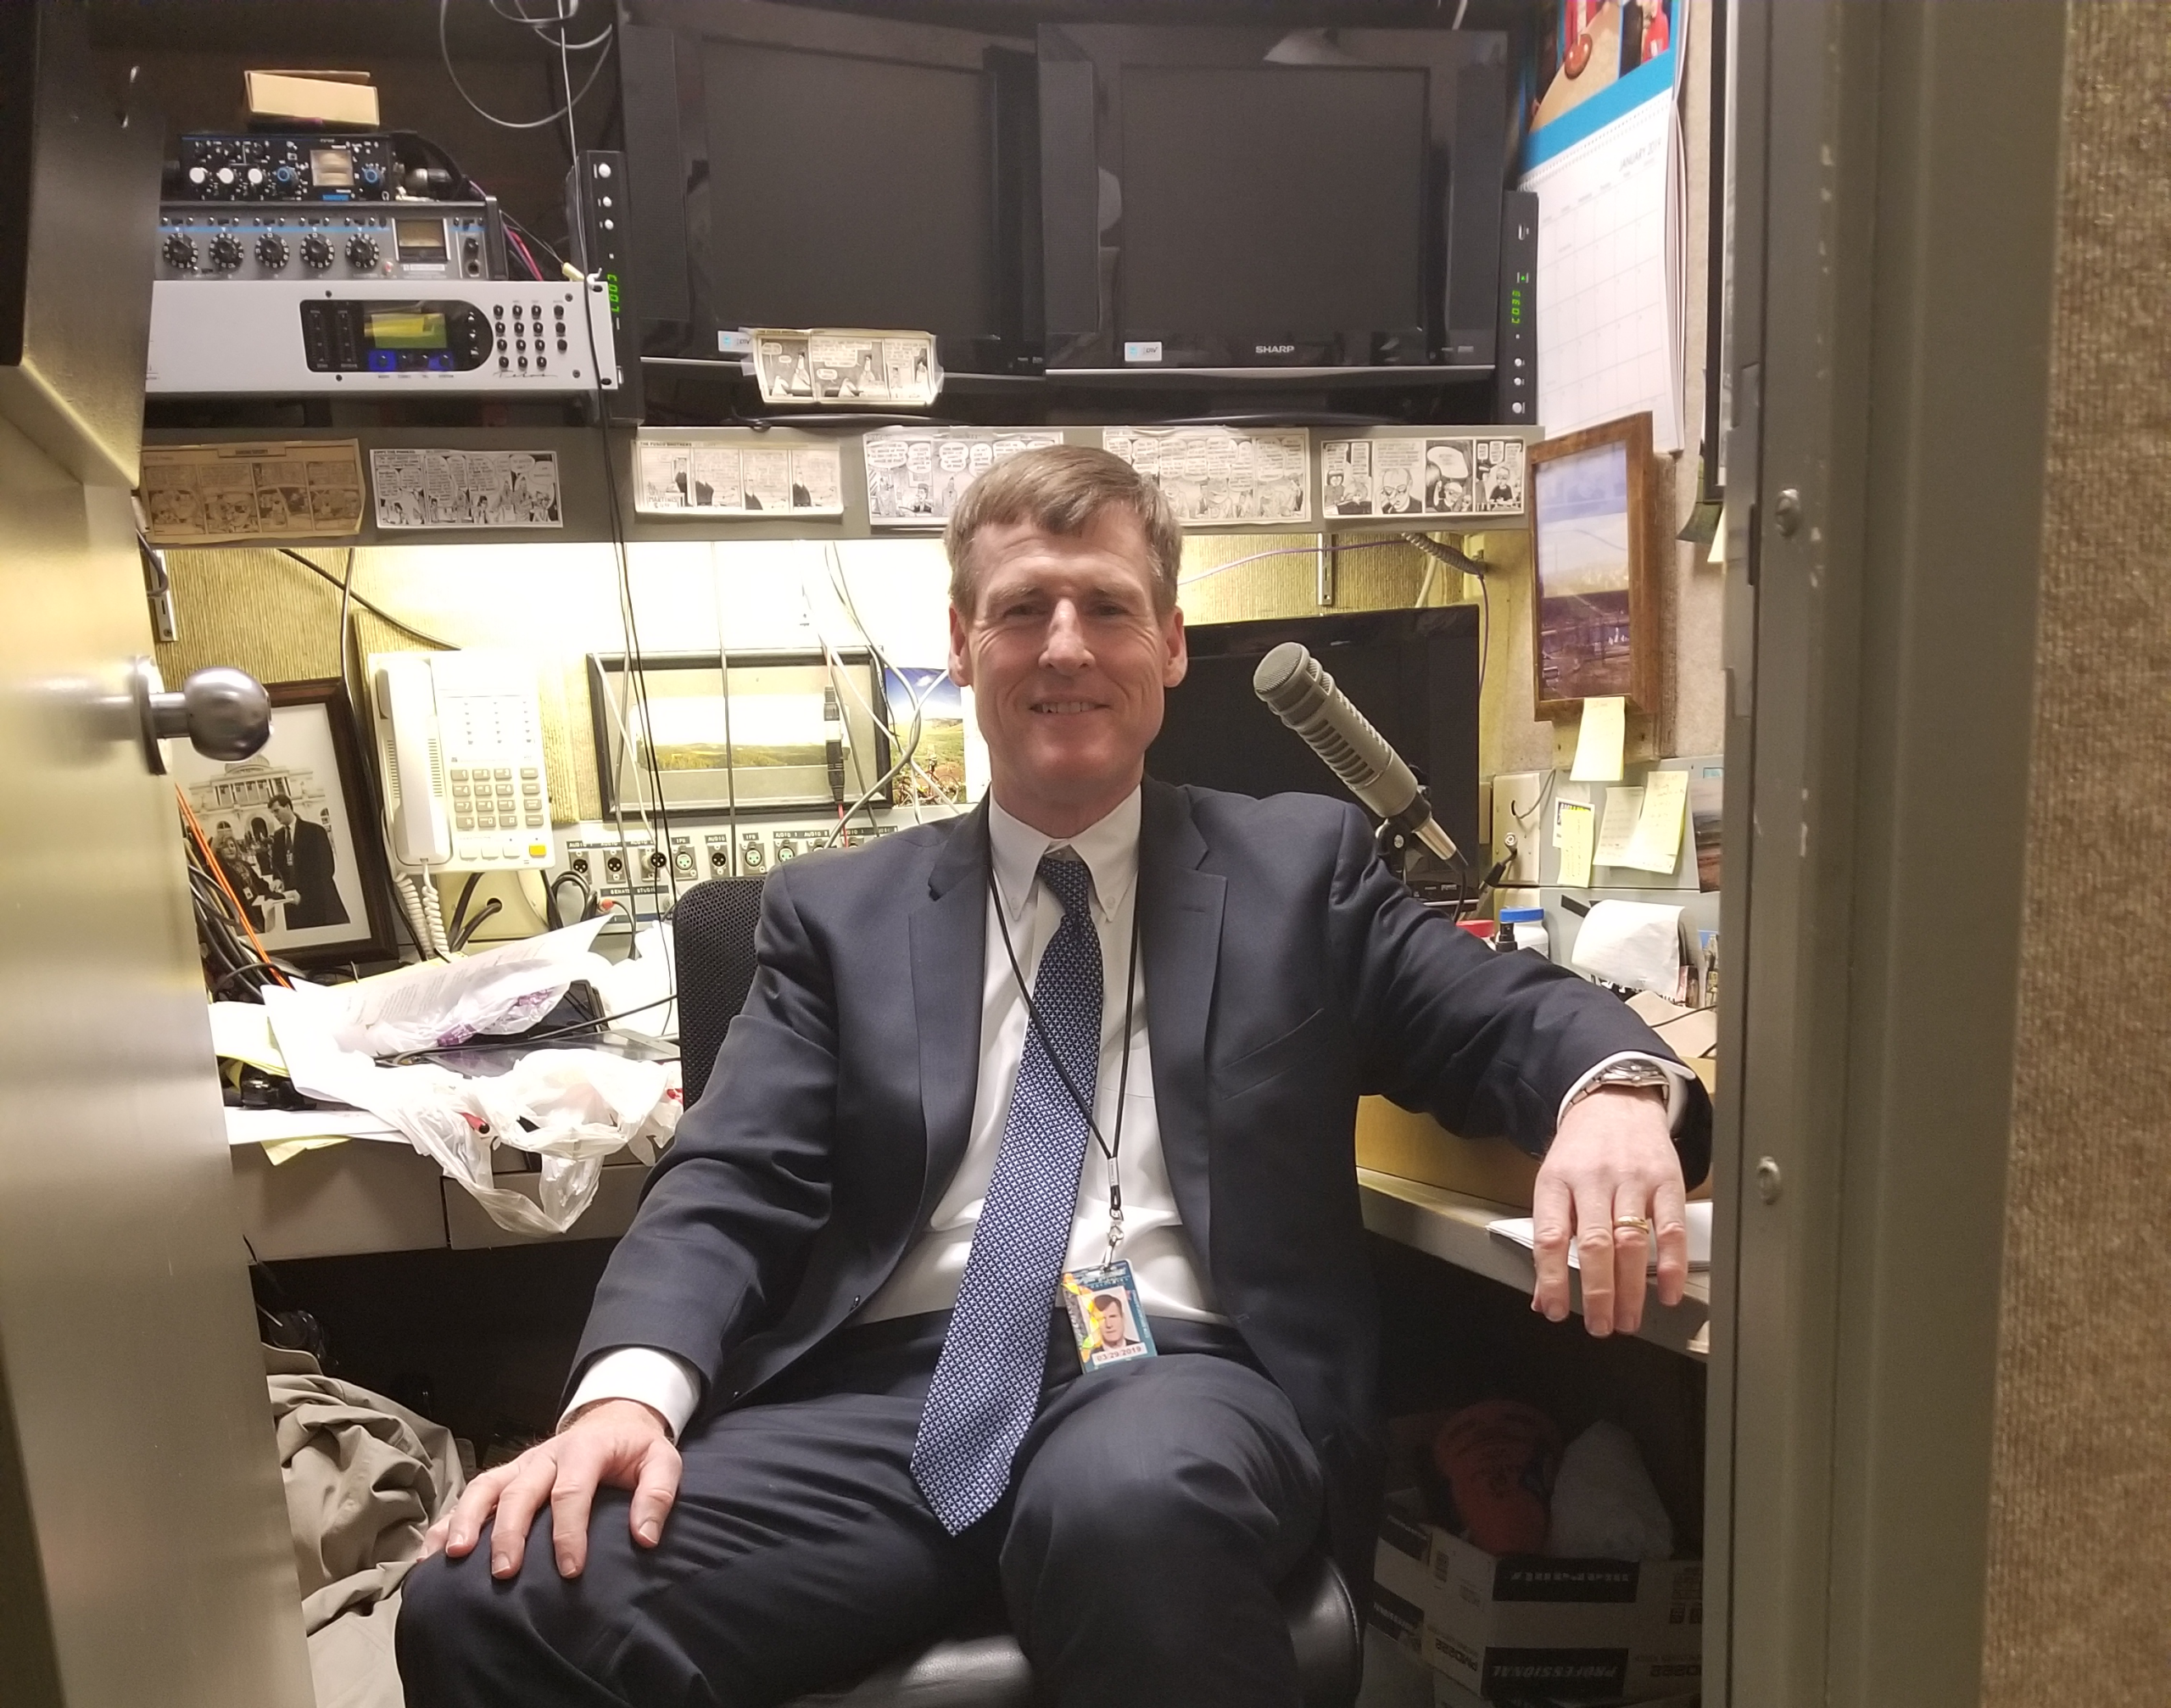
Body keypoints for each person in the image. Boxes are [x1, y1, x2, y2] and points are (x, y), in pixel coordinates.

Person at [397, 446, 1708, 1708]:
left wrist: (1613, 1088)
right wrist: (627, 1391)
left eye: (1109, 607)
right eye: (1024, 608)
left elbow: (1496, 1015)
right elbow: (731, 1176)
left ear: (1172, 646)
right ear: (963, 643)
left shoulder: (1300, 873)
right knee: (494, 1601)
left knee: (1124, 1504)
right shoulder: (832, 916)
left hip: (1180, 1379)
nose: (1068, 644)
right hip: (887, 1405)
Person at [268, 792, 348, 929]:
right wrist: (277, 879)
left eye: (277, 811)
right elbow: (277, 865)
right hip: (293, 903)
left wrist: (304, 894)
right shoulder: (278, 836)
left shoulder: (315, 831)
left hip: (319, 899)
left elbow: (327, 869)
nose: (275, 816)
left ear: (287, 807)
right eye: (272, 813)